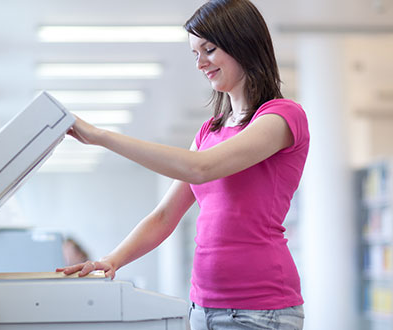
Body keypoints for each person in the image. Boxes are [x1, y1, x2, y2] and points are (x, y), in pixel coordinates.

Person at [56, 0, 309, 329]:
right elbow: (163, 216)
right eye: (195, 53)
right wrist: (109, 261)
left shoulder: (282, 117)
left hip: (260, 310)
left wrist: (102, 136)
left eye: (209, 49)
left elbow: (200, 168)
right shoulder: (210, 130)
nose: (200, 63)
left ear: (242, 43)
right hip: (203, 306)